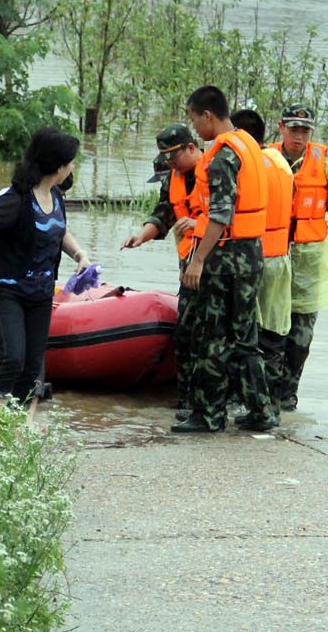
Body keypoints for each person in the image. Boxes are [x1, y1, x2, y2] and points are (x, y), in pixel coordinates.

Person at [171, 86, 278, 433]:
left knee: (211, 335)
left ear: (207, 115)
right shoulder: (247, 143)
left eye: (193, 119)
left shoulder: (222, 157)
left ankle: (209, 415)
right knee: (245, 337)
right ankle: (262, 412)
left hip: (225, 258)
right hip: (252, 253)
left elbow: (219, 214)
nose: (195, 129)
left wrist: (198, 260)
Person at [0, 127, 92, 404]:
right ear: (59, 166)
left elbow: (57, 230)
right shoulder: (15, 200)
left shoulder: (55, 196)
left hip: (41, 294)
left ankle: (15, 419)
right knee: (13, 359)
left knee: (32, 367)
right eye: (71, 161)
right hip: (6, 291)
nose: (72, 166)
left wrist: (79, 254)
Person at [270, 103, 328, 411]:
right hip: (272, 253)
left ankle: (288, 396)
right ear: (281, 127)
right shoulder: (266, 158)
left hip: (309, 258)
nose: (299, 135)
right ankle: (263, 395)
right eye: (293, 129)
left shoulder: (325, 162)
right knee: (267, 328)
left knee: (301, 333)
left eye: (305, 130)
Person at [121, 124, 206, 420]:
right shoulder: (174, 178)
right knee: (186, 338)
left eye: (173, 157)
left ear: (191, 148)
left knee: (214, 341)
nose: (170, 164)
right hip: (189, 271)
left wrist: (200, 226)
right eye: (166, 159)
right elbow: (163, 213)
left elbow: (228, 215)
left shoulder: (215, 170)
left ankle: (212, 407)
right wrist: (141, 236)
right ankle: (186, 404)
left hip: (219, 269)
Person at [230, 108, 294, 425]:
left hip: (254, 257)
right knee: (274, 335)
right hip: (281, 258)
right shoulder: (279, 161)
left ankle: (255, 406)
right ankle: (275, 405)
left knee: (248, 337)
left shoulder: (248, 163)